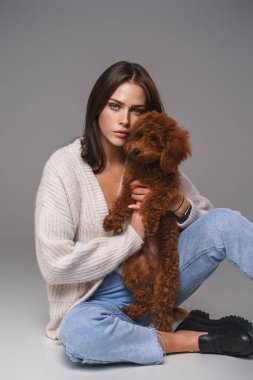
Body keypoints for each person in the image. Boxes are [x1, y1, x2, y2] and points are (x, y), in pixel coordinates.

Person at [35, 61, 253, 365]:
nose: (124, 120)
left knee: (227, 221)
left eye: (136, 110)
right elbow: (54, 265)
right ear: (98, 107)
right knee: (80, 335)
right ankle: (191, 338)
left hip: (158, 283)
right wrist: (133, 235)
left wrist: (177, 205)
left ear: (148, 115)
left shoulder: (152, 159)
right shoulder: (64, 167)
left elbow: (212, 226)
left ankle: (147, 332)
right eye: (114, 106)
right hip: (96, 304)